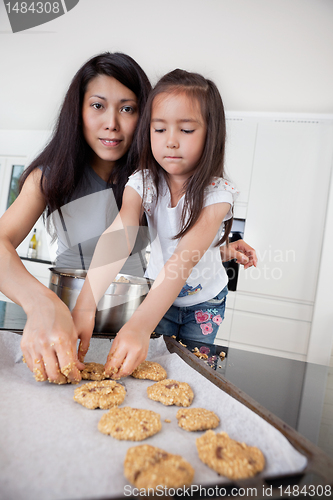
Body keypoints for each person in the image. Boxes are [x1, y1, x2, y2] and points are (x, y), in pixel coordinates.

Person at [0, 54, 256, 384]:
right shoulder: (132, 181)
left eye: (127, 108)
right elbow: (124, 234)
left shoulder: (192, 184)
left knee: (187, 377)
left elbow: (182, 253)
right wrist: (56, 306)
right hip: (87, 316)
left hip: (165, 307)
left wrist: (219, 247)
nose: (112, 123)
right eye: (97, 105)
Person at [72, 68, 254, 380]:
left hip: (204, 302)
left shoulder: (218, 194)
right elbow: (120, 235)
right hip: (157, 298)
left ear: (212, 134)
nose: (170, 142)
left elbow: (184, 258)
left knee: (193, 374)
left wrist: (139, 325)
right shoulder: (143, 183)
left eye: (186, 130)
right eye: (159, 129)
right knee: (148, 368)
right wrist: (86, 303)